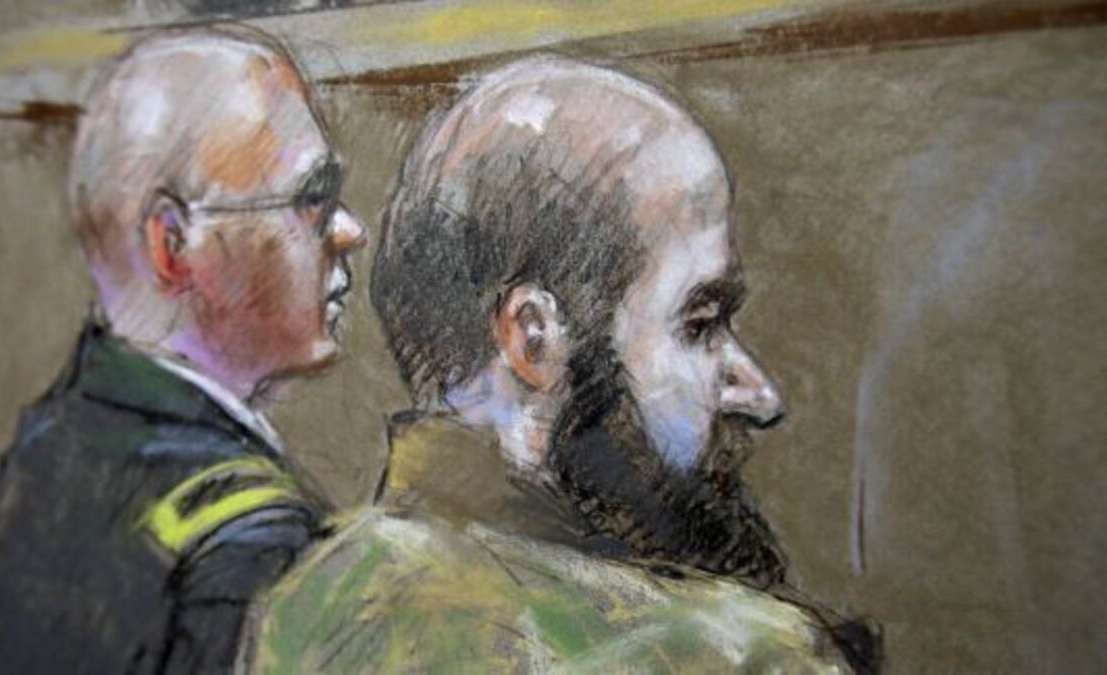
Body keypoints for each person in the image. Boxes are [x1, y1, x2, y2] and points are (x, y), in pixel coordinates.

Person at [245, 56, 869, 673]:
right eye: (699, 324)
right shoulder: (749, 657)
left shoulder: (305, 613)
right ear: (534, 339)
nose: (758, 393)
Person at [0, 27, 364, 674]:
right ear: (173, 244)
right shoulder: (250, 544)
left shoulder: (46, 448)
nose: (349, 229)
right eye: (313, 199)